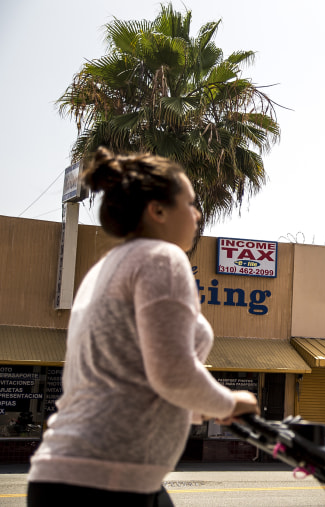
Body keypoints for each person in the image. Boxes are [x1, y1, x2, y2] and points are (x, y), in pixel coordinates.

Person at [27, 147, 259, 506]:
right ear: (158, 210)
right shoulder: (161, 257)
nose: (198, 214)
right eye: (190, 203)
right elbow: (173, 373)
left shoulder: (105, 268)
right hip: (107, 480)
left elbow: (138, 379)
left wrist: (204, 407)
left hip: (73, 471)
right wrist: (231, 402)